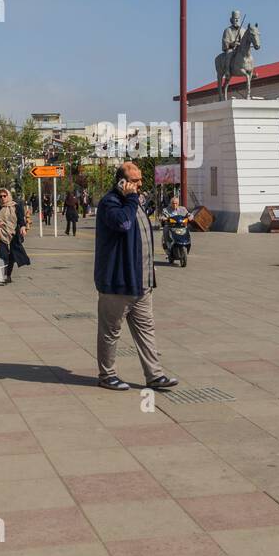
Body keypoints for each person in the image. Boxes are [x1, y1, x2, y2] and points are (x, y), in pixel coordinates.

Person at [93, 162, 178, 392]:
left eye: (141, 179)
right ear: (122, 182)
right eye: (136, 180)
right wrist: (130, 199)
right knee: (111, 332)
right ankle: (107, 375)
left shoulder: (136, 203)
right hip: (118, 283)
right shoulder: (111, 203)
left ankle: (155, 375)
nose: (140, 184)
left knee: (146, 331)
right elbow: (123, 223)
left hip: (142, 284)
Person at [0, 187, 31, 283]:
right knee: (2, 255)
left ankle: (8, 274)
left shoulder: (16, 206)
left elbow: (21, 219)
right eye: (0, 196)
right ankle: (4, 275)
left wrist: (22, 227)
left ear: (8, 195)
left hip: (14, 233)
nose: (2, 198)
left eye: (4, 196)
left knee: (13, 255)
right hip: (1, 234)